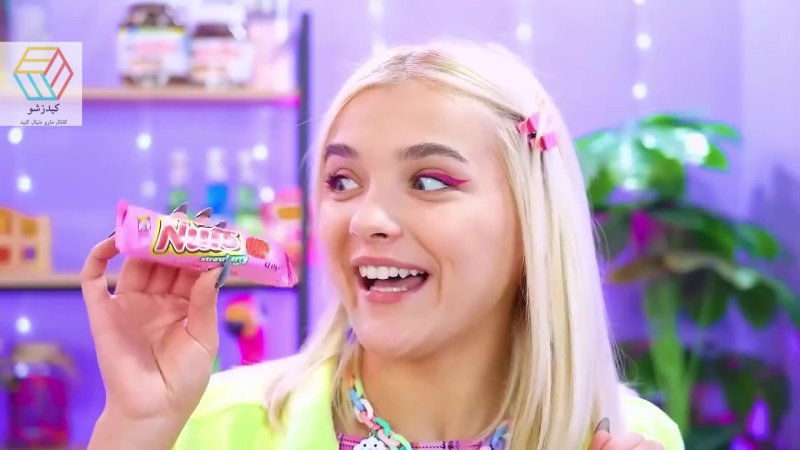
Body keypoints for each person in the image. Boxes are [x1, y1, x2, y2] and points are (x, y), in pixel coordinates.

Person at [81, 41, 683, 450]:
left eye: (430, 181)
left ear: (532, 222)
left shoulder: (632, 435)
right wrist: (137, 427)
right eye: (343, 182)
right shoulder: (211, 426)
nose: (365, 219)